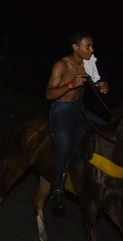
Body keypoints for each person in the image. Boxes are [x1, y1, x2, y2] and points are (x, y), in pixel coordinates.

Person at [45, 31, 109, 216]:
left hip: (79, 110)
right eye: (87, 46)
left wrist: (101, 85)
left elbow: (94, 82)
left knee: (105, 130)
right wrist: (71, 85)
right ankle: (57, 190)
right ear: (75, 47)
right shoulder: (62, 65)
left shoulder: (88, 63)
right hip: (61, 110)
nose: (92, 50)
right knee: (65, 146)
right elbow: (49, 94)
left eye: (91, 46)